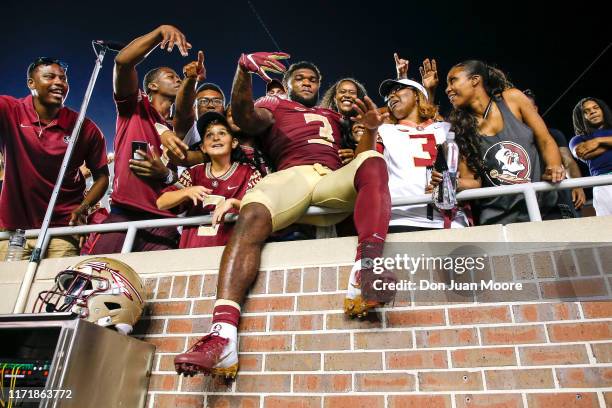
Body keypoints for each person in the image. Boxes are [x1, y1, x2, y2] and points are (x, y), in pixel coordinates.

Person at [172, 51, 395, 378]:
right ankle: (222, 334)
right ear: (287, 84)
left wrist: (370, 133)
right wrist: (243, 70)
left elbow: (362, 167)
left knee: (374, 162)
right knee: (253, 212)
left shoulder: (332, 115)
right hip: (291, 176)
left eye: (313, 79)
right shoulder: (275, 105)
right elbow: (246, 118)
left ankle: (367, 270)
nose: (307, 82)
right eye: (300, 78)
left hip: (331, 177)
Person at [87, 25, 193, 254]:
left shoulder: (177, 127)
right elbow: (123, 62)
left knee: (161, 285)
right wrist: (159, 33)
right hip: (124, 214)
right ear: (153, 86)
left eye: (178, 77)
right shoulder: (135, 106)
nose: (178, 80)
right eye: (171, 76)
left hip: (163, 221)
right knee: (97, 278)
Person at [0, 57, 108, 259]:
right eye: (49, 77)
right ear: (31, 83)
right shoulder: (9, 110)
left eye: (63, 79)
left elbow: (102, 177)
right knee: (7, 287)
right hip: (14, 229)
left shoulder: (84, 127)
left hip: (62, 228)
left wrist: (84, 208)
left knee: (56, 288)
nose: (59, 82)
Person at [445, 60, 565, 225]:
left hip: (542, 208)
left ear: (475, 80)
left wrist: (554, 165)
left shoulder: (513, 99)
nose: (447, 89)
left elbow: (545, 140)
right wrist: (450, 182)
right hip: (499, 219)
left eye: (453, 80)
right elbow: (471, 180)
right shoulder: (460, 127)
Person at [377, 77, 471, 231]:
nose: (391, 96)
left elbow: (472, 179)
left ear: (416, 94)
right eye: (389, 95)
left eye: (398, 89)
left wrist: (452, 184)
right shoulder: (383, 131)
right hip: (401, 219)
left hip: (450, 220)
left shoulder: (447, 128)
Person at [157, 112, 261, 248]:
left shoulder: (249, 172)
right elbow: (161, 203)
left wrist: (234, 203)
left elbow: (261, 208)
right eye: (209, 135)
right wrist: (186, 192)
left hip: (232, 252)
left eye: (222, 133)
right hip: (193, 250)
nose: (216, 138)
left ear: (234, 142)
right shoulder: (194, 172)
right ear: (203, 147)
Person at [523, 89, 586, 216]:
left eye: (528, 107)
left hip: (558, 197)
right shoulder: (511, 139)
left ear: (535, 109)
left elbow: (568, 161)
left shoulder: (553, 134)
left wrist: (577, 185)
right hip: (527, 199)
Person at [570, 97, 612, 216]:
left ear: (603, 110)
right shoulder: (578, 139)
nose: (592, 112)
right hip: (603, 185)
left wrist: (598, 141)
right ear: (580, 117)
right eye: (586, 111)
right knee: (608, 229)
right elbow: (582, 153)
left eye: (595, 108)